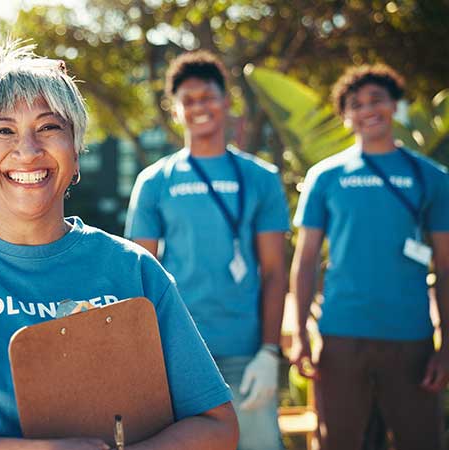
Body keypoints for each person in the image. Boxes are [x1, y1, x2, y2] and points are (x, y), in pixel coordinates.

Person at [0, 43, 238, 450]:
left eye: (48, 127)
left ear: (76, 153)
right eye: (3, 130)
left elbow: (215, 426)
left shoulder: (134, 269)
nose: (27, 151)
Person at [125, 50, 289, 450]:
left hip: (245, 354)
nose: (199, 107)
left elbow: (274, 271)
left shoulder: (261, 178)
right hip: (178, 354)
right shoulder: (155, 181)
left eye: (208, 96)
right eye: (189, 100)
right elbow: (137, 274)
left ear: (227, 100)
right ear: (175, 109)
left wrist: (270, 352)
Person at [289, 64, 449, 450]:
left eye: (376, 99)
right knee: (338, 442)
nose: (367, 109)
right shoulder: (325, 176)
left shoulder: (432, 177)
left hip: (410, 337)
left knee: (421, 441)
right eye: (355, 104)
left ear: (395, 106)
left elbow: (445, 265)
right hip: (341, 336)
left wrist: (447, 348)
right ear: (346, 116)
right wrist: (299, 335)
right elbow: (306, 260)